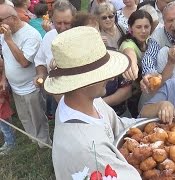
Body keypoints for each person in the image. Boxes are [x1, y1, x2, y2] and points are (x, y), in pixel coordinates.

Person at [44, 26, 141, 180]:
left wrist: (154, 120)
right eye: (104, 73)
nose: (110, 79)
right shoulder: (89, 151)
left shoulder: (88, 101)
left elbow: (118, 126)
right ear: (85, 82)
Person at [0, 4, 52, 148]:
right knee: (24, 118)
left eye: (0, 20)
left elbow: (24, 62)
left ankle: (44, 144)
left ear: (12, 18)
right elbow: (5, 58)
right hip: (16, 87)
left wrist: (9, 40)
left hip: (31, 87)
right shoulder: (4, 33)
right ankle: (33, 139)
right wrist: (4, 78)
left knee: (38, 118)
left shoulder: (31, 35)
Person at [33, 0, 76, 118]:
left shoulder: (80, 38)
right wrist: (40, 75)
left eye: (67, 23)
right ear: (52, 20)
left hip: (80, 98)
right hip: (56, 97)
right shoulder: (48, 37)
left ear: (74, 20)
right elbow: (40, 60)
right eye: (58, 23)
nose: (62, 27)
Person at [118, 10, 152, 117]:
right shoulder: (127, 43)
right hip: (132, 98)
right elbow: (129, 52)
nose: (143, 31)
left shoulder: (149, 42)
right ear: (130, 28)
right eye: (138, 27)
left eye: (146, 27)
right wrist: (132, 65)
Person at [0, 58, 15, 155]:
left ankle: (11, 144)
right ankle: (8, 141)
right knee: (3, 127)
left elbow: (3, 96)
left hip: (1, 106)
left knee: (5, 127)